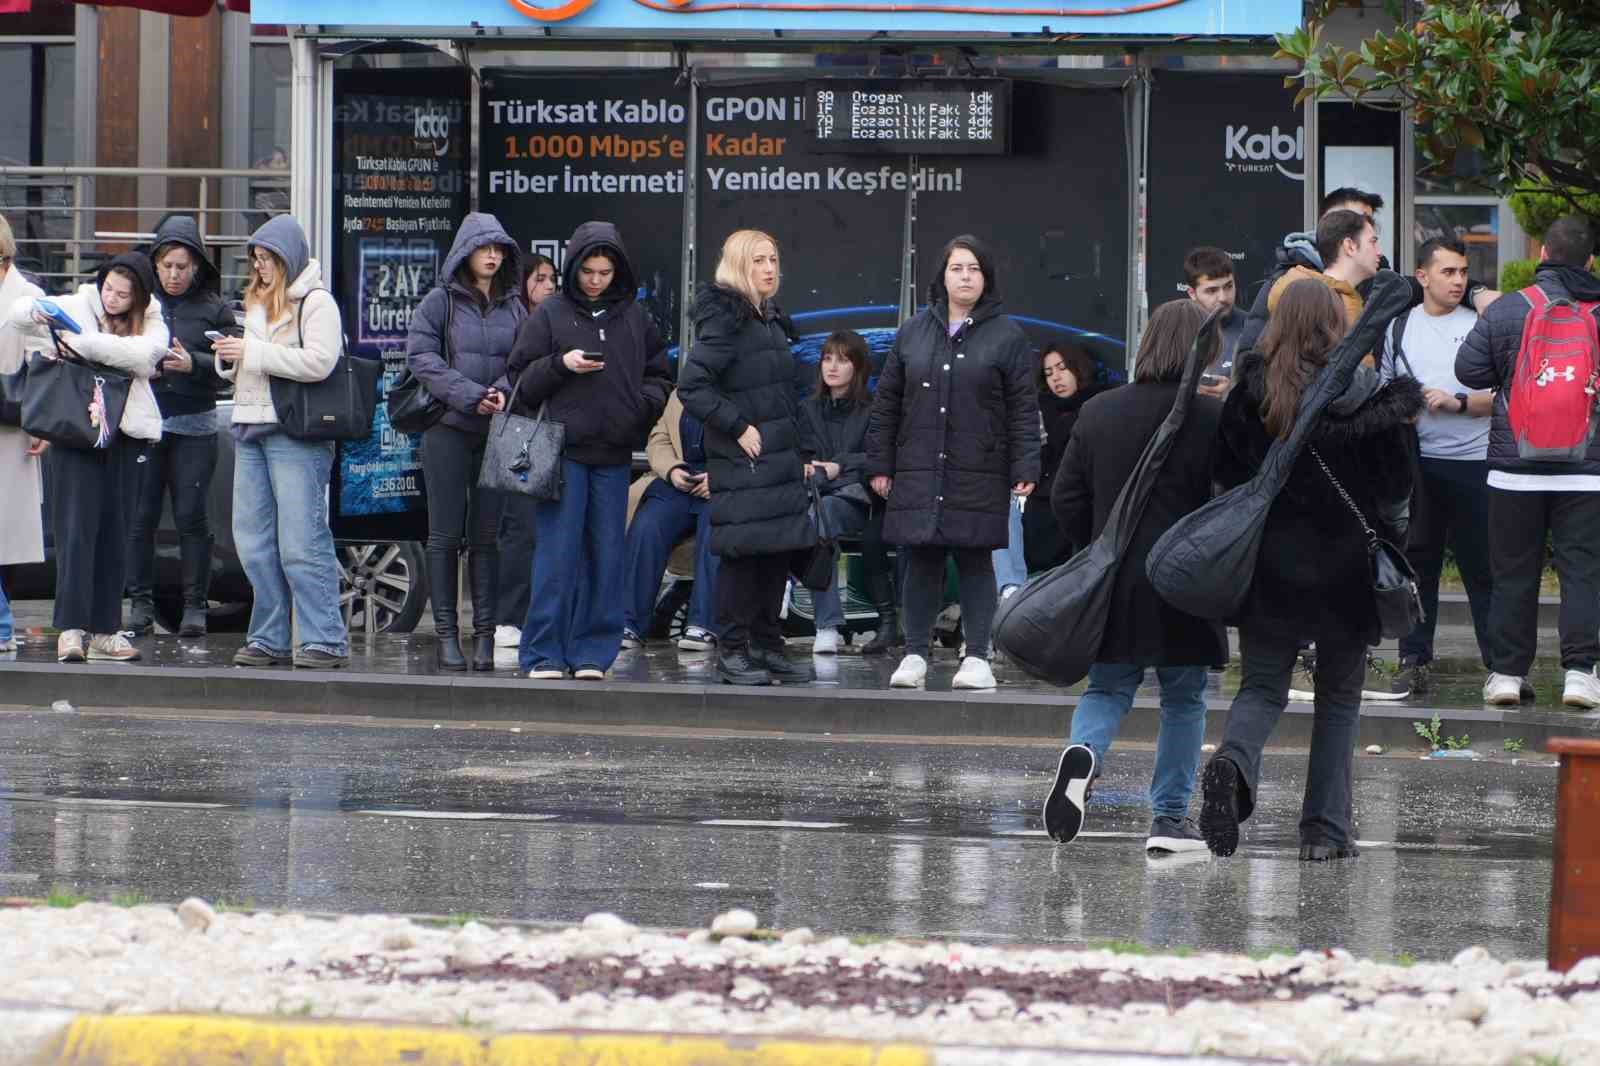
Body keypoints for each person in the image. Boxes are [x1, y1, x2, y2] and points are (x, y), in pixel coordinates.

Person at [1200, 279, 1422, 862]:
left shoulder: (1249, 394)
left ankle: (1231, 763)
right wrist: (1391, 541)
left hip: (1270, 563)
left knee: (1262, 686)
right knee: (1339, 700)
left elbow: (1224, 481)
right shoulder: (1374, 397)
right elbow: (1397, 491)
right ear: (1336, 327)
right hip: (1347, 566)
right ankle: (1324, 832)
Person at [1041, 300, 1227, 854]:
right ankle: (1168, 821)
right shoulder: (1211, 418)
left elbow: (1066, 498)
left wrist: (1096, 546)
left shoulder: (1098, 412)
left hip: (1115, 579)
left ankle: (1086, 756)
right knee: (1185, 697)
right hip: (1187, 580)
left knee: (1108, 686)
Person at [866, 234, 1040, 691]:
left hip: (980, 466)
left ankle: (977, 656)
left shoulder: (1008, 336)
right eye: (956, 268)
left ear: (987, 279)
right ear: (941, 276)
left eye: (974, 269)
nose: (965, 277)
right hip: (919, 465)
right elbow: (886, 404)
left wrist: (1025, 468)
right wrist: (880, 464)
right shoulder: (912, 331)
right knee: (920, 558)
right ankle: (915, 655)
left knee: (976, 558)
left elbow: (1023, 408)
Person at [507, 222, 672, 682]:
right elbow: (520, 378)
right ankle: (543, 652)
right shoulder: (551, 315)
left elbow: (661, 375)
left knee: (605, 556)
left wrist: (640, 411)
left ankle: (591, 654)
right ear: (574, 268)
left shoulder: (636, 318)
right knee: (556, 556)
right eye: (589, 271)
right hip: (561, 453)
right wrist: (561, 365)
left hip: (614, 454)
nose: (596, 279)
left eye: (604, 271)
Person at [1456, 213, 1600, 710]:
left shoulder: (1508, 309)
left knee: (1513, 573)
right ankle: (1581, 674)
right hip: (1587, 469)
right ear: (1590, 261)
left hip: (1513, 467)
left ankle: (1506, 676)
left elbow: (1469, 370)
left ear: (1542, 254)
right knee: (1583, 570)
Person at [7, 253, 168, 663]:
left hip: (126, 435)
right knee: (76, 532)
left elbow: (144, 356)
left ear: (139, 298)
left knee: (116, 535)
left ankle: (107, 630)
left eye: (122, 294)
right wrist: (39, 311)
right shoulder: (80, 303)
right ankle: (71, 630)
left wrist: (79, 343)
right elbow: (18, 313)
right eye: (108, 288)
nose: (112, 299)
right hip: (76, 431)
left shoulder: (152, 318)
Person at [678, 229, 814, 687]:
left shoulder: (771, 320)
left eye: (773, 259)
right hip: (745, 461)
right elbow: (692, 386)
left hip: (779, 462)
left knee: (775, 554)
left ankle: (766, 644)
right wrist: (737, 426)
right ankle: (732, 650)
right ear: (739, 265)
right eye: (758, 260)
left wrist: (804, 450)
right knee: (742, 556)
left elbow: (784, 394)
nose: (770, 268)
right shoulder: (726, 320)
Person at [213, 216, 349, 670]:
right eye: (256, 260)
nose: (260, 267)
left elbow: (322, 362)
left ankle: (325, 639)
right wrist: (229, 359)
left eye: (267, 259)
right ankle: (268, 637)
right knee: (252, 541)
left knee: (301, 540)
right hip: (250, 427)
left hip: (297, 433)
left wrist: (250, 352)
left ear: (287, 259)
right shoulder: (255, 303)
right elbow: (254, 366)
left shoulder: (317, 302)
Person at [406, 213, 524, 672]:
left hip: (495, 431)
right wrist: (472, 396)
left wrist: (499, 391)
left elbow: (524, 360)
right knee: (444, 535)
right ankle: (447, 635)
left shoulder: (515, 305)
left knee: (487, 538)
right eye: (484, 248)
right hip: (447, 429)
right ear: (465, 252)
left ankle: (485, 638)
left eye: (499, 249)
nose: (492, 256)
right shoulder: (440, 303)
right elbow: (422, 358)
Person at [1380, 237, 1493, 697]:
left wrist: (1459, 402)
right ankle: (1413, 658)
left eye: (1463, 272)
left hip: (1475, 463)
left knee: (1483, 569)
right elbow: (1384, 389)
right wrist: (1403, 408)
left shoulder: (1480, 325)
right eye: (1448, 272)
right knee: (1418, 565)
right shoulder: (1398, 327)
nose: (1459, 281)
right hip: (1419, 465)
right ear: (1422, 277)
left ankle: (1501, 664)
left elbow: (1505, 398)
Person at [123, 216, 234, 638]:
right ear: (155, 263)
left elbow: (232, 365)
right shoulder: (141, 301)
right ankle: (140, 604)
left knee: (191, 516)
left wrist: (195, 364)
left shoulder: (215, 307)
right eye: (167, 265)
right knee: (141, 517)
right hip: (145, 424)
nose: (174, 275)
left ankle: (195, 606)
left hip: (195, 424)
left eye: (182, 267)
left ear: (197, 266)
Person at [620, 389, 720, 651]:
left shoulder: (748, 387)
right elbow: (659, 438)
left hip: (725, 487)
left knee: (716, 528)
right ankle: (629, 623)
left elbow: (762, 447)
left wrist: (721, 478)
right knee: (647, 526)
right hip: (680, 482)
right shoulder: (682, 392)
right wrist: (673, 469)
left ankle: (704, 625)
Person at [494, 252, 559, 650]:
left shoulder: (557, 319)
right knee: (520, 528)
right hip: (522, 432)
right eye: (541, 278)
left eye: (553, 278)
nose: (549, 286)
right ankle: (508, 617)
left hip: (555, 429)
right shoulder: (516, 321)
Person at [798, 330, 874, 655]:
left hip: (855, 497)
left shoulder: (872, 410)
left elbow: (878, 456)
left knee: (822, 514)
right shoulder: (808, 409)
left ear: (857, 367)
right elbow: (799, 452)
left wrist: (838, 466)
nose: (832, 367)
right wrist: (806, 466)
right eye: (827, 358)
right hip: (811, 493)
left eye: (842, 360)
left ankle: (826, 624)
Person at [0, 214, 47, 653]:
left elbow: (45, 364)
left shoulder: (28, 297)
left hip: (12, 426)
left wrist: (42, 423)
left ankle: (2, 619)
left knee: (8, 536)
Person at [1026, 342, 1111, 571]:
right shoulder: (1044, 411)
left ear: (1078, 368)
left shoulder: (1101, 405)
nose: (1056, 378)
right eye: (1049, 373)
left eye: (1062, 368)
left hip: (1087, 500)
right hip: (1047, 498)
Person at [1184, 246, 1244, 399]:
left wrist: (1232, 393)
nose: (1223, 297)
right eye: (1212, 290)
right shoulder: (1178, 331)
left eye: (1229, 286)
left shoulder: (1254, 330)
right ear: (1192, 293)